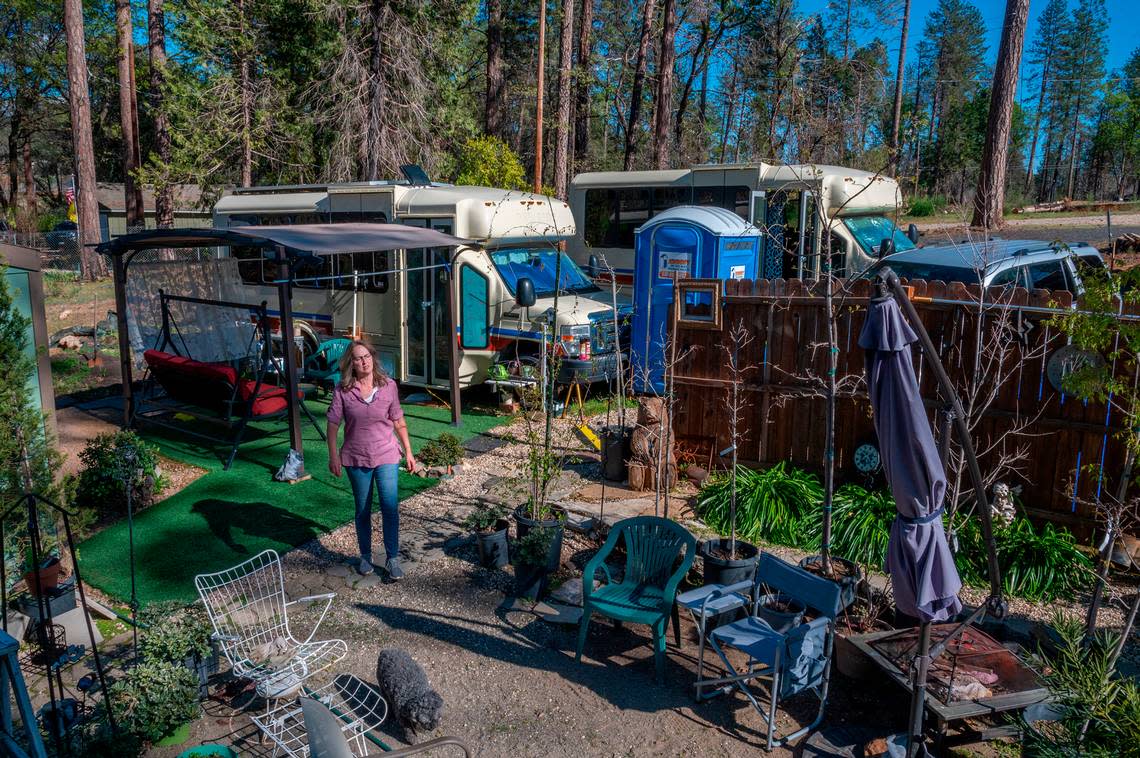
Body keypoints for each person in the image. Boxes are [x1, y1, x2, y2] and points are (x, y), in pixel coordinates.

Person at [327, 340, 418, 578]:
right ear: (351, 363)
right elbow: (333, 424)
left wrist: (408, 451)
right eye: (357, 358)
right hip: (356, 458)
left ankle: (392, 558)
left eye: (366, 356)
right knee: (362, 509)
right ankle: (365, 557)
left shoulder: (388, 386)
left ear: (373, 358)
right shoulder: (343, 390)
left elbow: (398, 420)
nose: (363, 361)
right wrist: (333, 455)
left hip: (386, 454)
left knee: (389, 507)